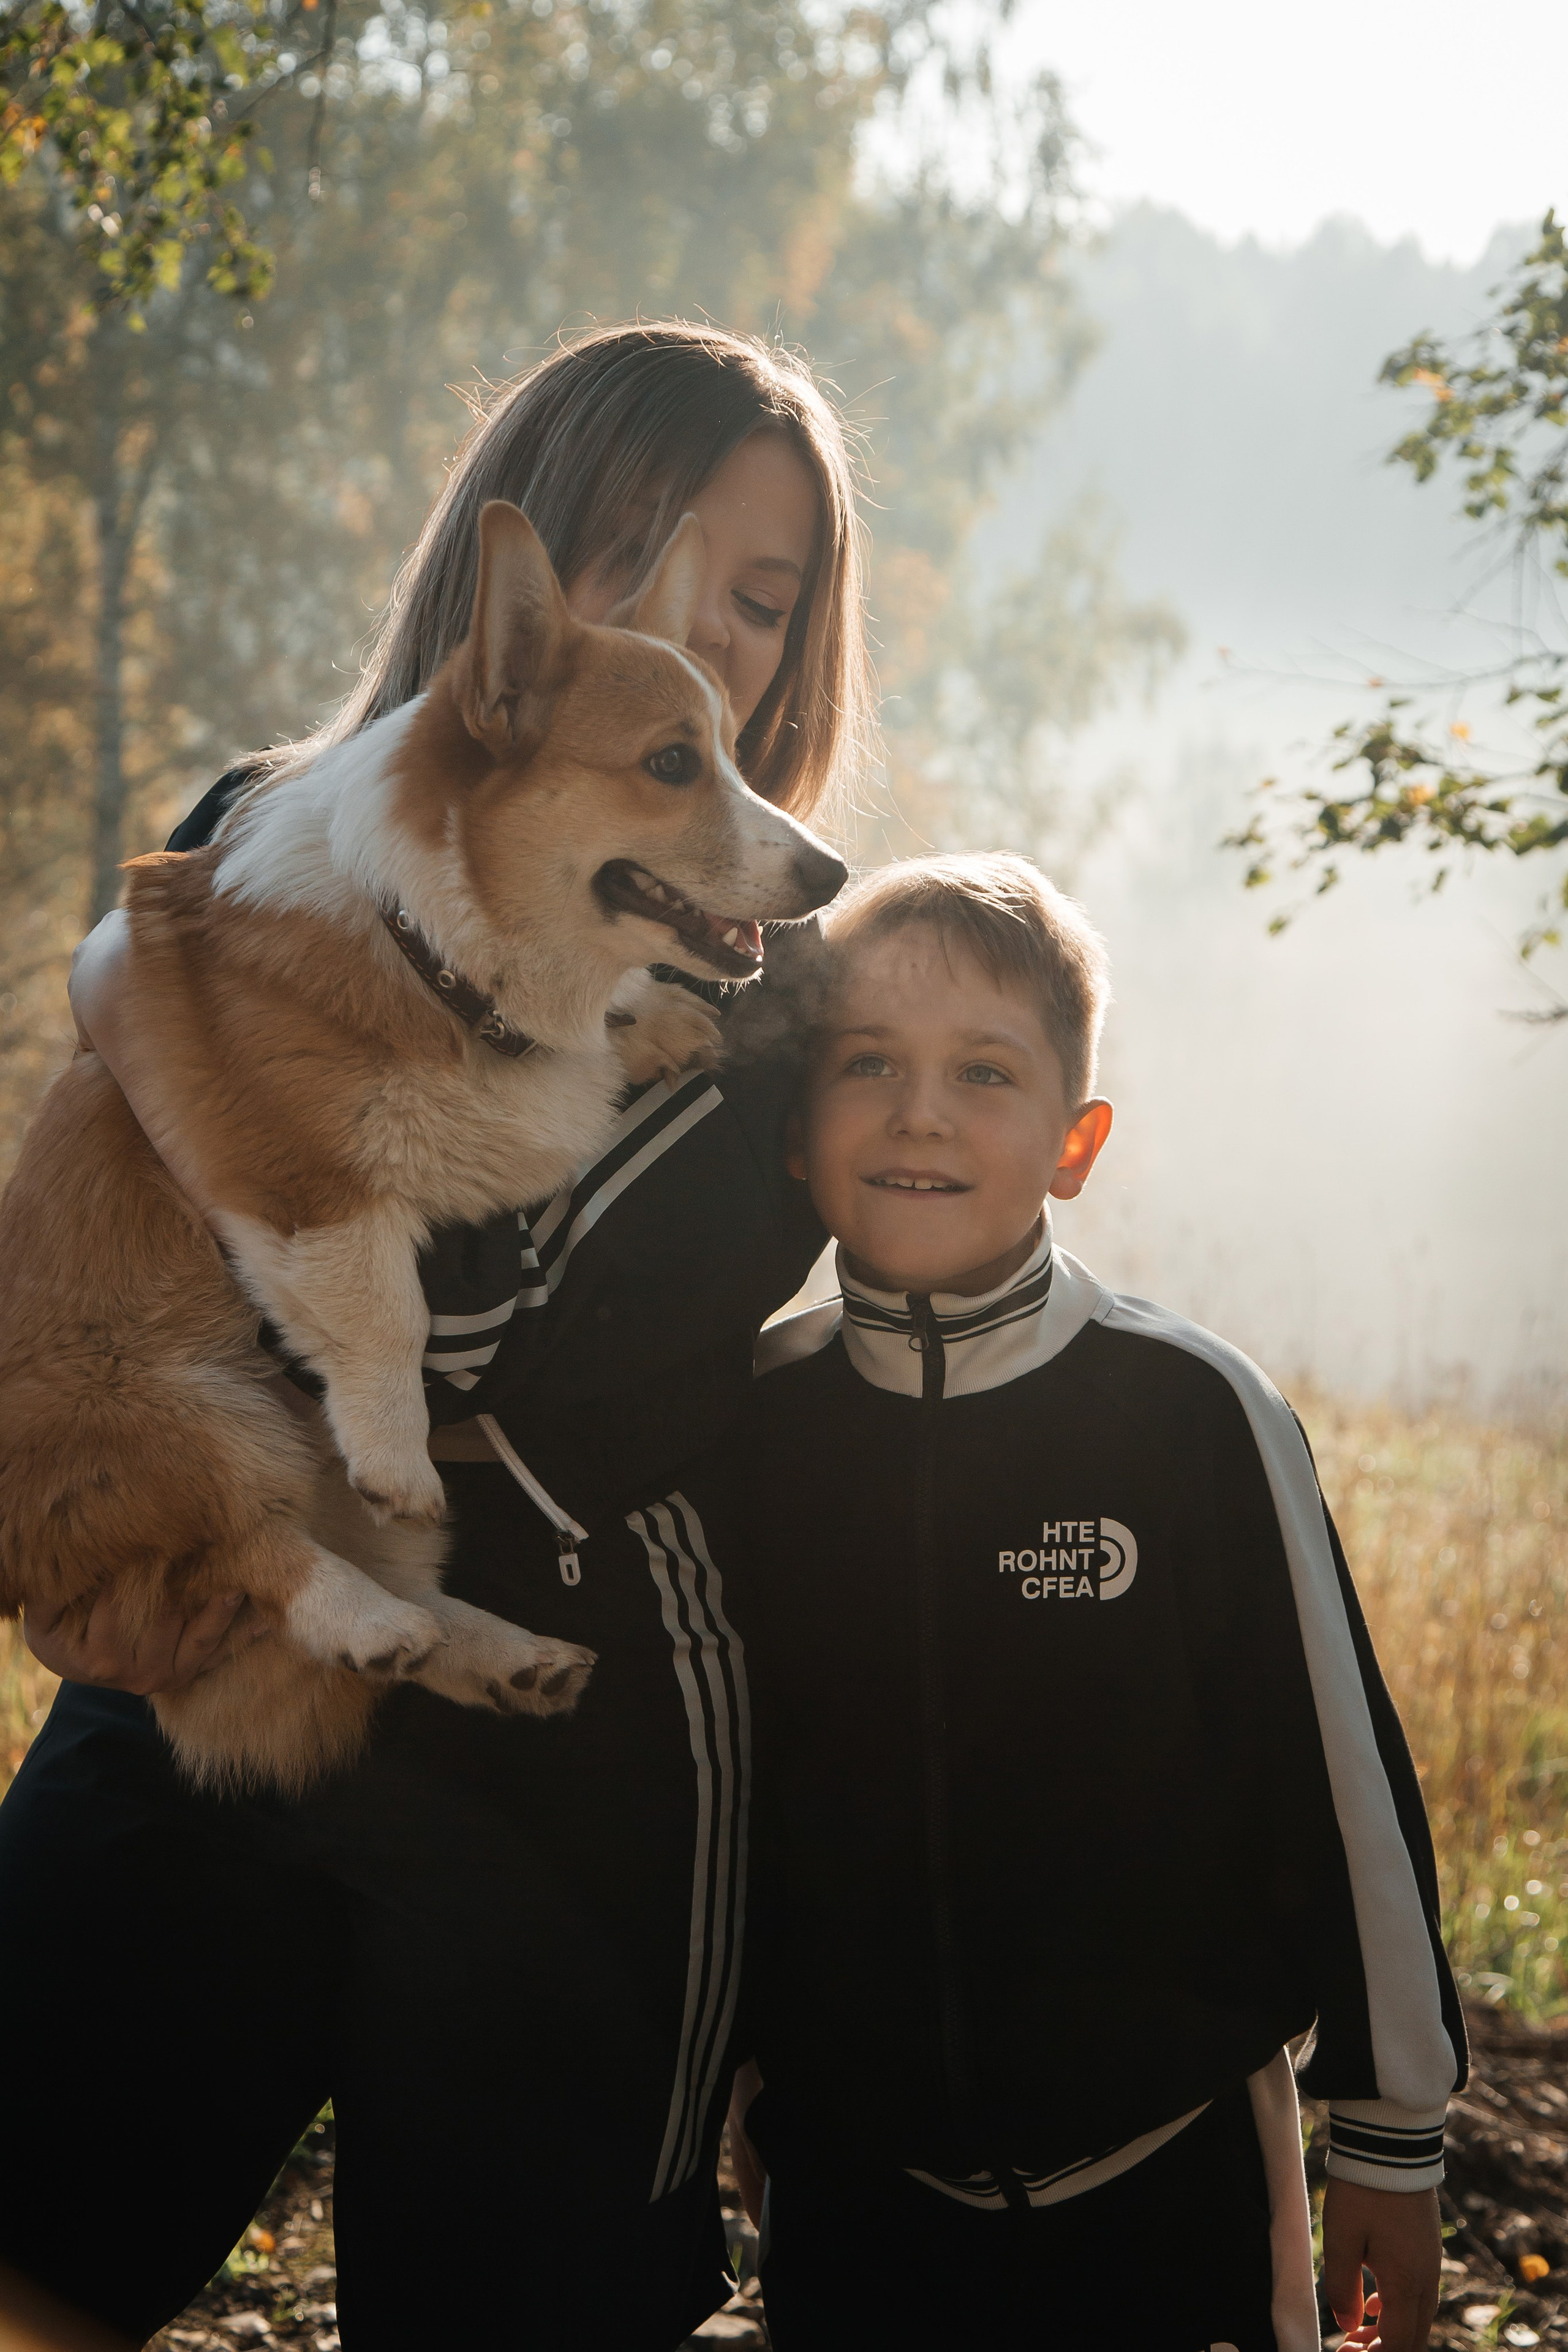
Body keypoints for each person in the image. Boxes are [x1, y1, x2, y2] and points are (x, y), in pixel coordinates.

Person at [0, 321, 870, 2350]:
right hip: (205, 1688)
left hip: (558, 1781)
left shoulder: (780, 1008)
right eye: (635, 561)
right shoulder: (261, 822)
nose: (700, 638)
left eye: (758, 603)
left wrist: (147, 1003)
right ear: (514, 569)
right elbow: (92, 1279)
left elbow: (477, 1349)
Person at [603, 851, 1465, 2352]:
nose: (920, 1110)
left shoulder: (1192, 1412)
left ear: (1075, 1143)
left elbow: (1333, 1781)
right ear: (795, 1138)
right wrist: (735, 2082)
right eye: (866, 1064)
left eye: (983, 1073)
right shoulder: (744, 1422)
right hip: (854, 2198)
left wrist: (1387, 2129)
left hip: (1165, 2177)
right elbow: (705, 1800)